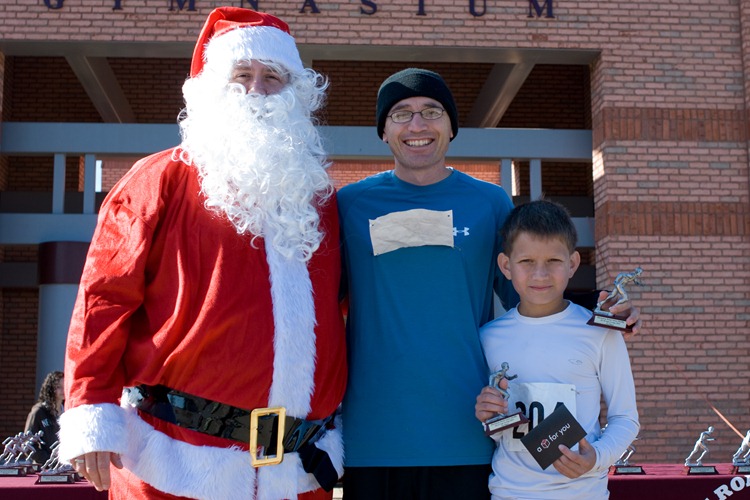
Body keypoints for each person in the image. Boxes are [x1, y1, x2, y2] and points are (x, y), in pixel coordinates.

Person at [58, 7, 346, 500]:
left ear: (295, 93)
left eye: (272, 77)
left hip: (295, 476)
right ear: (211, 87)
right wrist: (90, 406)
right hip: (174, 467)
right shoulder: (159, 180)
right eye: (241, 76)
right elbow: (102, 300)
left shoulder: (319, 199)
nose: (256, 91)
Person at [337, 68, 641, 500]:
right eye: (401, 114)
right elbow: (319, 303)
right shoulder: (349, 203)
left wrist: (599, 310)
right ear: (383, 130)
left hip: (467, 430)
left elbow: (529, 284)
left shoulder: (488, 200)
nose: (417, 125)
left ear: (451, 127)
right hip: (374, 434)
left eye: (431, 112)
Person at [475, 199, 640, 499]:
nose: (540, 275)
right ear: (505, 266)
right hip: (509, 493)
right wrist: (486, 411)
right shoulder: (488, 338)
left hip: (583, 493)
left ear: (573, 264)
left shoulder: (601, 332)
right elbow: (494, 420)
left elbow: (626, 418)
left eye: (553, 261)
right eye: (526, 262)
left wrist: (596, 458)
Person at [24, 370, 64, 464]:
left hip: (66, 468)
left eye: (65, 386)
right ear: (50, 389)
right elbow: (27, 445)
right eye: (58, 387)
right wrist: (48, 460)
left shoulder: (69, 411)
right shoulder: (39, 412)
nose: (63, 390)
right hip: (45, 469)